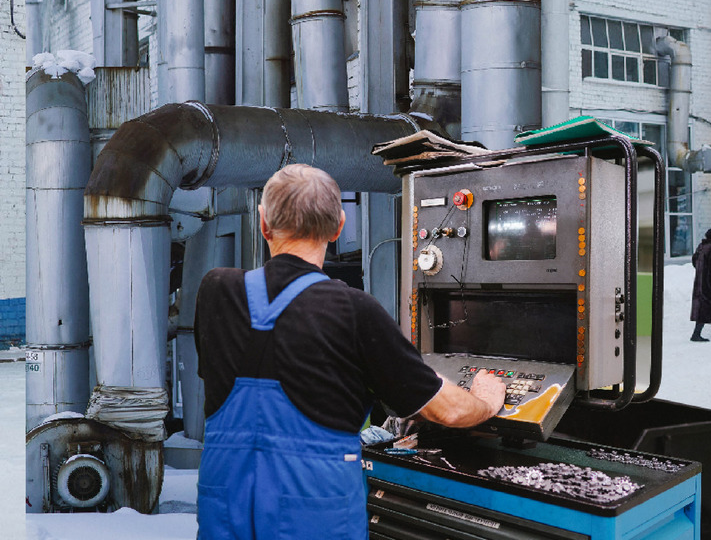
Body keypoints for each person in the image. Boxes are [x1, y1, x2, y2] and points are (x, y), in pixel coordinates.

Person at [193, 163, 505, 540]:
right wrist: (486, 401)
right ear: (339, 226)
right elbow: (447, 409)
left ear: (263, 224)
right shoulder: (355, 311)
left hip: (226, 518)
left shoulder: (215, 293)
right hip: (316, 520)